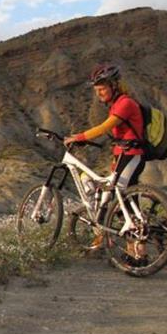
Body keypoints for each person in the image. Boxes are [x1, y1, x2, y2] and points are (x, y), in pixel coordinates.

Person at [64, 63, 146, 260]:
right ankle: (135, 251)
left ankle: (134, 249)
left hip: (131, 154)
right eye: (97, 90)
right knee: (126, 201)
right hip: (122, 156)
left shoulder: (125, 103)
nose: (99, 93)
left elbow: (104, 127)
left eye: (102, 89)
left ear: (114, 86)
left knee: (118, 198)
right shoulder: (116, 105)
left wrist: (79, 137)